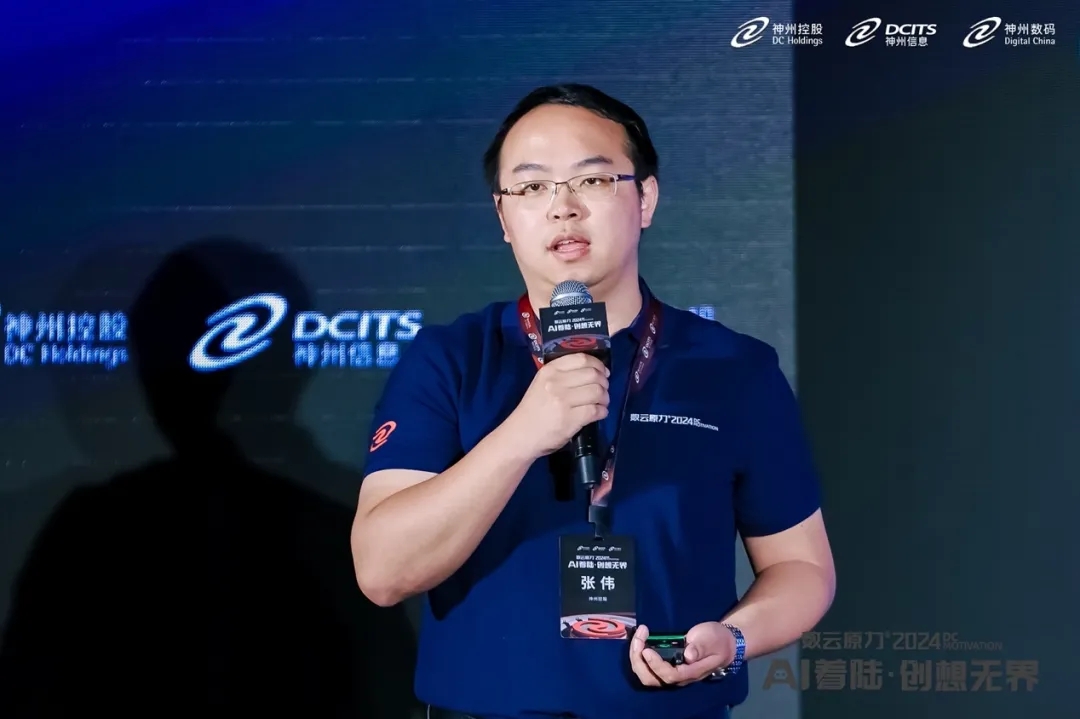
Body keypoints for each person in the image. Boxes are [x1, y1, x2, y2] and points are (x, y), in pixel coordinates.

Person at [350, 84, 835, 719]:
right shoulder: (450, 360)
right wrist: (522, 435)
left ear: (645, 199)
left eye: (594, 180)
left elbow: (802, 568)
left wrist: (736, 639)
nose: (563, 208)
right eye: (532, 187)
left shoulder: (734, 368)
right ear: (503, 217)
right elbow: (383, 572)